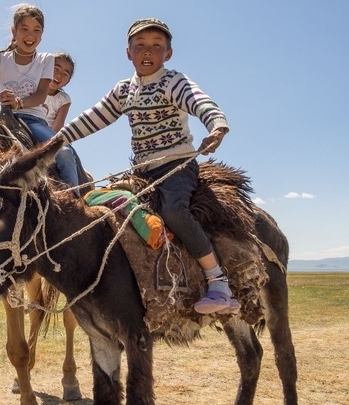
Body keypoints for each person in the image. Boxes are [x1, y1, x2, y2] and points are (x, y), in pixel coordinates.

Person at [57, 17, 239, 314]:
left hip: (176, 166)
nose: (147, 51)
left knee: (172, 211)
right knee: (98, 203)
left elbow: (199, 101)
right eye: (139, 45)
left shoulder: (173, 81)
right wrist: (57, 141)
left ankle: (217, 281)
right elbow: (94, 118)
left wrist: (217, 125)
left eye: (156, 46)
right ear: (128, 52)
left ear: (168, 53)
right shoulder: (124, 90)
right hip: (142, 170)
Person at [0, 4, 81, 194]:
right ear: (14, 31)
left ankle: (74, 203)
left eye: (36, 30)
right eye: (24, 29)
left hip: (34, 119)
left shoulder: (46, 60)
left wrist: (19, 102)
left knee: (64, 153)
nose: (30, 35)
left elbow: (40, 95)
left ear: (42, 35)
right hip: (5, 118)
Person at [42, 52, 75, 133]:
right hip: (26, 123)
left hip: (47, 133)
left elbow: (58, 126)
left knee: (65, 146)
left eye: (65, 74)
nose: (59, 75)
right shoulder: (32, 86)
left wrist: (50, 142)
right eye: (56, 69)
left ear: (68, 81)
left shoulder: (64, 100)